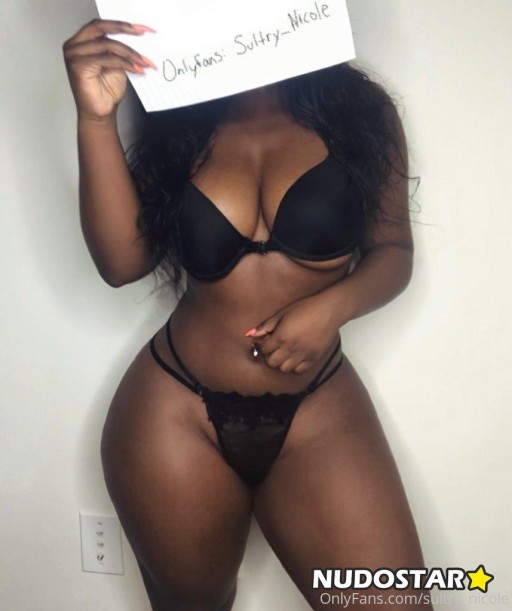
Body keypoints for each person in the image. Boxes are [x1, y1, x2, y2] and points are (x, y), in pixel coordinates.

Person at [63, 18, 433, 611]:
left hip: (317, 409)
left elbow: (393, 252)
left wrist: (332, 308)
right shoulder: (172, 108)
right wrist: (95, 119)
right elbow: (121, 264)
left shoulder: (359, 111)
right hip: (175, 414)